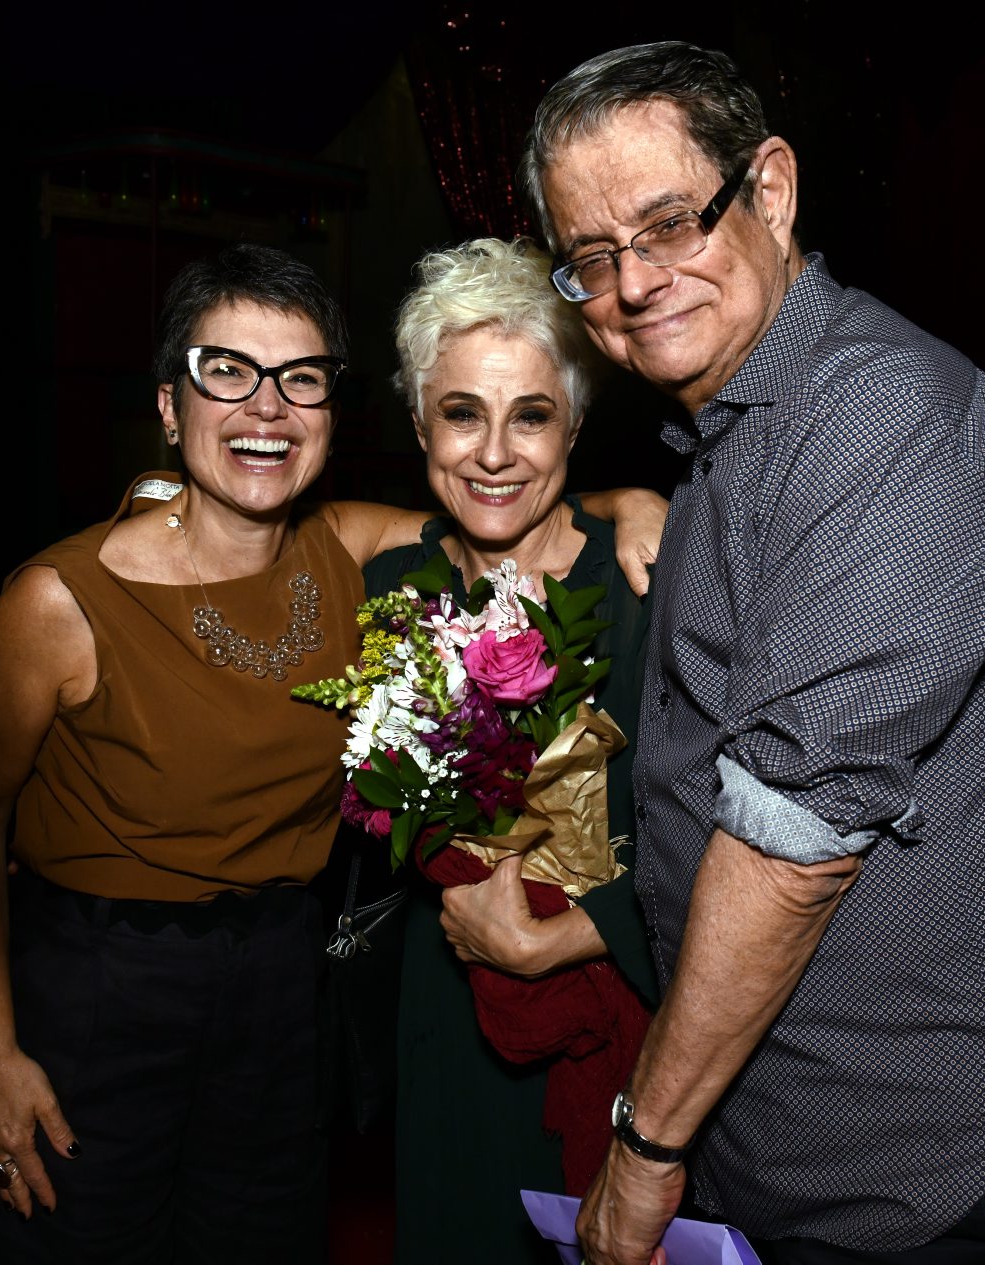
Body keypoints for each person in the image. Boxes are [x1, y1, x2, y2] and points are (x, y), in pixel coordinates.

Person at [518, 41, 985, 1265]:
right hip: (839, 1159)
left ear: (772, 189)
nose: (634, 282)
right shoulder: (740, 433)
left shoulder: (881, 413)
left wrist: (646, 1143)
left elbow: (790, 845)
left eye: (671, 224)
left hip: (980, 1168)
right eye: (593, 256)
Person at [0, 241, 663, 1264]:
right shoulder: (62, 601)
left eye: (300, 379)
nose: (267, 407)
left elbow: (502, 511)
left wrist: (632, 503)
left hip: (285, 989)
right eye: (227, 371)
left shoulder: (349, 549)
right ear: (169, 404)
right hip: (100, 991)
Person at [368, 235, 657, 1264]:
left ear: (574, 424)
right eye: (462, 412)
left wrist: (569, 936)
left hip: (621, 1027)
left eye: (530, 414)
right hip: (445, 1024)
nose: (494, 452)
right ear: (419, 424)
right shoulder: (389, 590)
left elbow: (732, 843)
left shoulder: (646, 588)